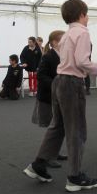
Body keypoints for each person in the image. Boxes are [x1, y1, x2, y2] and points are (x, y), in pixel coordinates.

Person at [23, 0, 97, 191]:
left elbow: (70, 59)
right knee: (76, 130)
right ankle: (75, 176)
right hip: (72, 83)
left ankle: (39, 164)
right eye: (87, 14)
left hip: (59, 82)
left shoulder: (67, 34)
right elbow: (81, 61)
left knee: (58, 126)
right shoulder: (82, 32)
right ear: (81, 14)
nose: (88, 18)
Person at [31, 30, 67, 168]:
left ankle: (54, 153)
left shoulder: (65, 56)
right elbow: (41, 75)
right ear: (55, 43)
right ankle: (48, 157)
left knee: (59, 127)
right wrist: (56, 84)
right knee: (54, 127)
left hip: (61, 98)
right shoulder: (48, 56)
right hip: (48, 98)